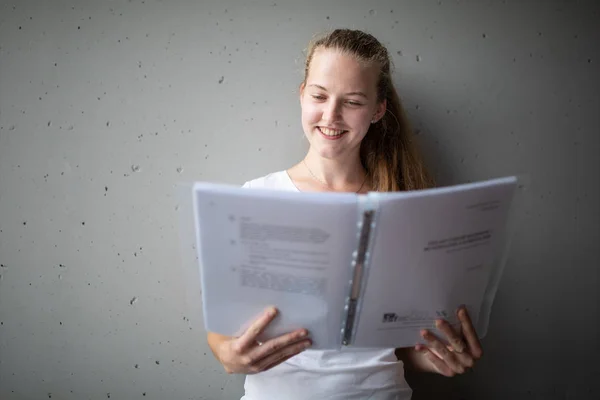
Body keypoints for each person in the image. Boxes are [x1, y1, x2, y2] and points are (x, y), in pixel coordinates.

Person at [207, 29, 483, 399]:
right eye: (319, 96)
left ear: (378, 110)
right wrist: (227, 354)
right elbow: (223, 329)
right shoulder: (257, 197)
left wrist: (436, 360)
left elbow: (399, 346)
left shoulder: (403, 205)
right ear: (302, 94)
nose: (331, 115)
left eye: (352, 101)